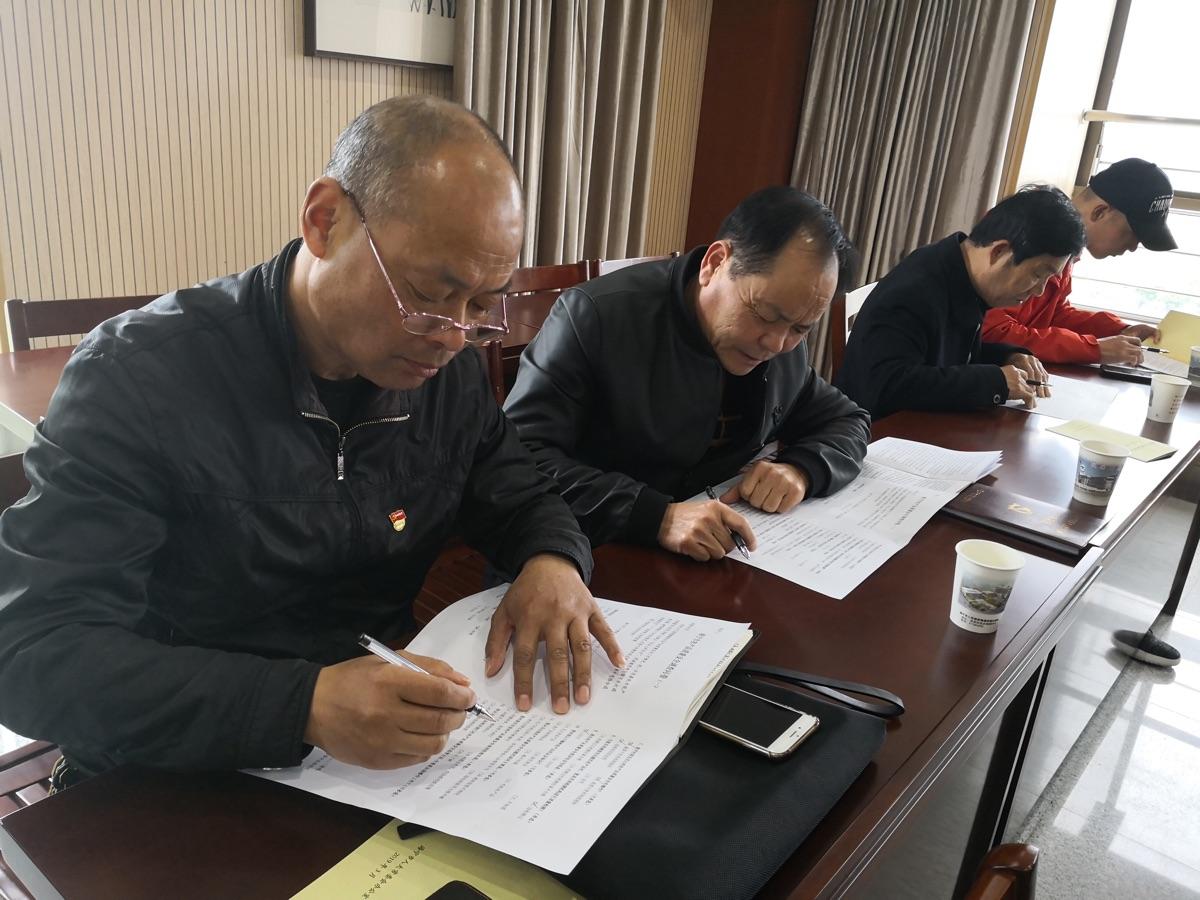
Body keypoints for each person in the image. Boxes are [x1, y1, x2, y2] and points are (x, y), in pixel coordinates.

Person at [0, 97, 624, 785]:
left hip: (375, 755)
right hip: (173, 773)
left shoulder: (446, 377)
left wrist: (551, 560)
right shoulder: (136, 379)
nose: (452, 336)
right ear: (325, 221)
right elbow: (32, 654)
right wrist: (303, 705)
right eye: (426, 293)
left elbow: (519, 491)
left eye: (481, 305)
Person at [503, 186, 871, 562]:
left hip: (713, 554)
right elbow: (519, 458)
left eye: (800, 328)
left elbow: (847, 420)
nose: (775, 344)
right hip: (585, 550)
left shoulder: (783, 342)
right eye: (764, 314)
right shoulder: (595, 317)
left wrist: (802, 470)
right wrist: (657, 517)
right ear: (715, 263)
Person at [834, 186, 1086, 420]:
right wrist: (993, 382)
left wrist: (1006, 356)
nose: (1040, 290)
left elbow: (947, 356)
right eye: (1038, 274)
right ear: (999, 252)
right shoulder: (915, 290)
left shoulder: (960, 272)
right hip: (876, 434)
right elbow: (888, 385)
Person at [982, 158, 1175, 365]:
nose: (1133, 246)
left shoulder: (1065, 245)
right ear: (1100, 212)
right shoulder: (1033, 231)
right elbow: (993, 331)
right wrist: (1093, 349)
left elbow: (1053, 314)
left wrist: (1118, 330)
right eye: (1133, 234)